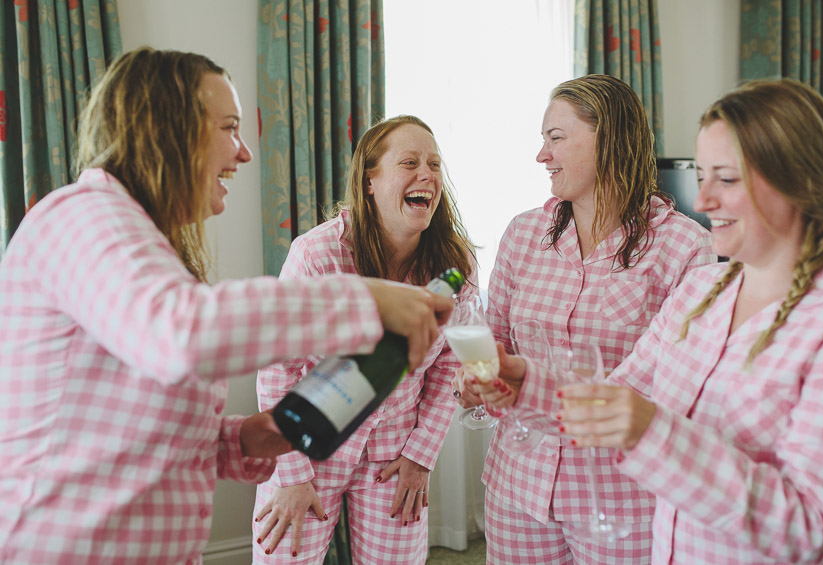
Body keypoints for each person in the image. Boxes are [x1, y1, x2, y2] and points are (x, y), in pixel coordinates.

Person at [0, 48, 453, 565]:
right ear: (167, 128)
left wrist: (249, 438)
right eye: (230, 127)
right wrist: (371, 300)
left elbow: (131, 431)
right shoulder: (84, 218)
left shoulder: (140, 242)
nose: (244, 153)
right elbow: (183, 335)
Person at [554, 79, 823, 563]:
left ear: (803, 182)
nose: (704, 201)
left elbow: (811, 528)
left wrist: (652, 432)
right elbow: (618, 393)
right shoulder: (699, 292)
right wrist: (524, 388)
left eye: (727, 180)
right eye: (701, 176)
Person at [455, 74, 715, 564]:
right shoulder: (524, 233)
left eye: (556, 138)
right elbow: (495, 343)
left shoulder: (684, 248)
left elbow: (682, 389)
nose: (541, 156)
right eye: (542, 140)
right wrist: (475, 381)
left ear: (610, 138)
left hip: (622, 501)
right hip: (519, 486)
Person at [252, 115, 477, 564]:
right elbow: (279, 367)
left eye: (434, 164)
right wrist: (292, 474)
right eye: (409, 162)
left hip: (395, 454)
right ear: (370, 180)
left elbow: (450, 360)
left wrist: (421, 454)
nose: (427, 174)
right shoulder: (318, 255)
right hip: (306, 449)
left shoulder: (455, 263)